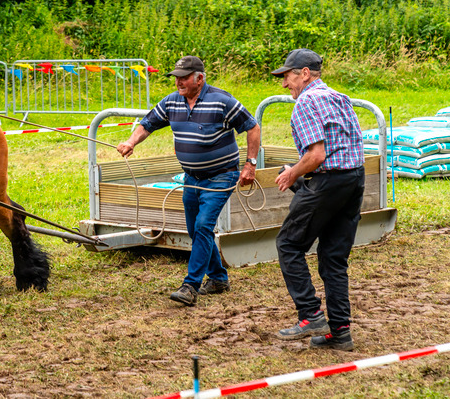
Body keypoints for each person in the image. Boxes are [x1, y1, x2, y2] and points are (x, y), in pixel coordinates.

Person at [117, 55, 261, 307]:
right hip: (191, 178)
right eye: (176, 78)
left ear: (199, 78)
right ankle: (218, 278)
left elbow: (252, 127)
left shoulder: (222, 101)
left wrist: (250, 164)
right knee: (196, 230)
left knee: (204, 226)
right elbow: (147, 123)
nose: (178, 83)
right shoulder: (172, 102)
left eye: (183, 78)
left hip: (221, 175)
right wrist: (131, 141)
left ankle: (190, 285)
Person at [271, 48, 365, 351]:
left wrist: (290, 175)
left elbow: (316, 155)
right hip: (354, 180)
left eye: (287, 76)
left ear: (305, 74)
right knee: (333, 260)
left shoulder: (306, 102)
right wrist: (301, 172)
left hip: (328, 182)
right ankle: (340, 333)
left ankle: (310, 315)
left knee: (288, 244)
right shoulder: (340, 97)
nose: (285, 84)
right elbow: (338, 150)